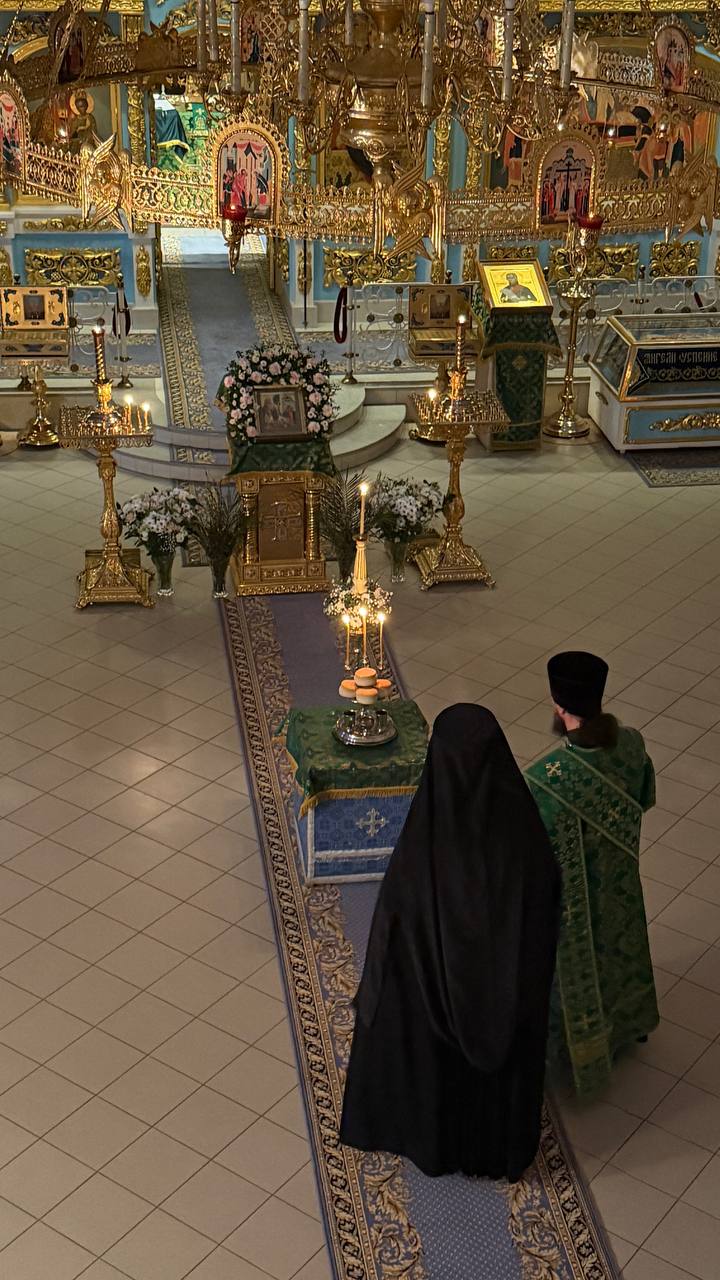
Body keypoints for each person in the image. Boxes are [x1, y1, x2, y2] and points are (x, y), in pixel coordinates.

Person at [340, 704, 560, 1182]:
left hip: (433, 1031)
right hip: (506, 1015)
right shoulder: (527, 841)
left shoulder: (423, 849)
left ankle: (437, 1140)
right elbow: (543, 923)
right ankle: (496, 1146)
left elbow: (394, 945)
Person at [525, 652, 659, 1099]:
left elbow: (532, 855)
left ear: (558, 705)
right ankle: (632, 1022)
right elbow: (646, 796)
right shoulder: (633, 744)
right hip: (622, 885)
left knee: (577, 971)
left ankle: (582, 1051)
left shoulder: (547, 780)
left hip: (575, 906)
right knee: (623, 949)